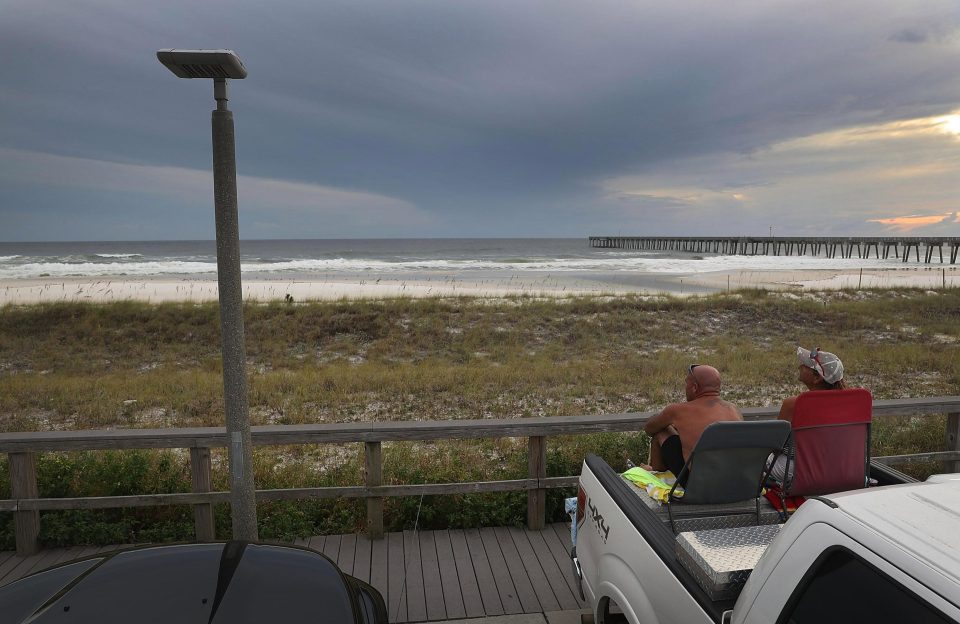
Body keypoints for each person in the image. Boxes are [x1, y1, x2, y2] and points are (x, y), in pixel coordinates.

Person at [643, 364, 743, 478]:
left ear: (694, 387)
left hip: (700, 486)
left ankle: (656, 473)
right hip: (737, 480)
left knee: (661, 431)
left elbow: (649, 428)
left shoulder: (678, 410)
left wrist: (671, 423)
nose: (685, 387)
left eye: (686, 383)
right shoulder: (733, 409)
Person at [769, 346, 847, 480]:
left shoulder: (795, 404)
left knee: (765, 459)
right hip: (839, 466)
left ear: (817, 379)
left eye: (806, 365)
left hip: (801, 470)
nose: (800, 366)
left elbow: (775, 443)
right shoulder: (846, 403)